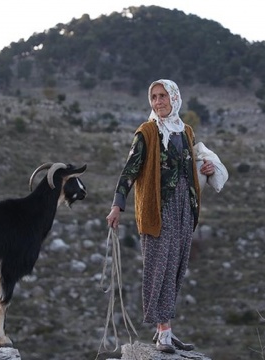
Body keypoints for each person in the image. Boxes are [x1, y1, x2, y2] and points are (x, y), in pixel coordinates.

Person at [106, 79, 215, 353]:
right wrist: (117, 205)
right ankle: (163, 330)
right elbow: (129, 170)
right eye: (153, 97)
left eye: (163, 96)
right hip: (158, 210)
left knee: (176, 268)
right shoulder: (146, 132)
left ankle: (165, 331)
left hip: (183, 209)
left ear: (175, 98)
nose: (158, 101)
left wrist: (207, 169)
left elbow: (190, 168)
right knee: (159, 268)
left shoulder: (185, 132)